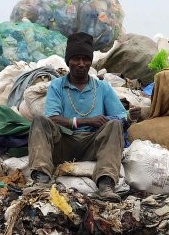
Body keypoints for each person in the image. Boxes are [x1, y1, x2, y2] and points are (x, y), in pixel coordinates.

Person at [28, 32, 140, 202]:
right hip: (64, 144)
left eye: (85, 59)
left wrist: (130, 117)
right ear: (68, 61)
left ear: (90, 62)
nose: (81, 64)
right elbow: (52, 118)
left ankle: (105, 184)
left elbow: (119, 116)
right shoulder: (57, 86)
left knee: (115, 125)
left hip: (93, 145)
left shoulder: (102, 87)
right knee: (39, 121)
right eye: (76, 59)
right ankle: (41, 179)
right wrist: (85, 121)